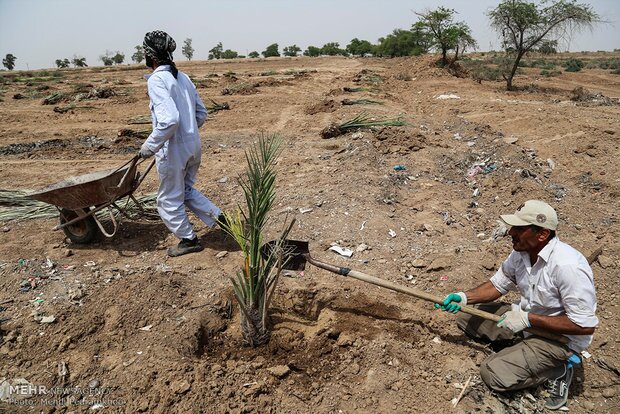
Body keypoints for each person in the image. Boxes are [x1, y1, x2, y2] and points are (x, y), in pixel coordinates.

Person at [436, 200, 597, 410]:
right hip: (528, 322)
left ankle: (558, 369)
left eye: (519, 229)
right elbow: (498, 285)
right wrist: (464, 297)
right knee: (466, 317)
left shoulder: (568, 267)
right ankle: (523, 351)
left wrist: (528, 319)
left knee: (492, 373)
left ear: (542, 234)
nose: (511, 232)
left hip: (558, 340)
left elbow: (584, 325)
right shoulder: (522, 252)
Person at [139, 30, 225, 257]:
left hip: (174, 149)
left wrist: (150, 146)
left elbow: (168, 121)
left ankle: (188, 239)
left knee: (168, 199)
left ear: (151, 55)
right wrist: (189, 133)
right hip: (193, 145)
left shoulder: (157, 79)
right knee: (185, 190)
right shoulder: (183, 77)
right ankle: (220, 218)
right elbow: (201, 113)